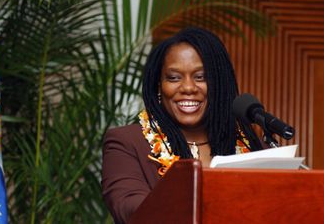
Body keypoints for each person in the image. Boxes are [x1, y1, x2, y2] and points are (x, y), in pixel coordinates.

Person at [101, 27, 263, 224]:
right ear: (159, 85)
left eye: (201, 77)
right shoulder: (127, 142)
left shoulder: (250, 144)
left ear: (219, 84)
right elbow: (130, 209)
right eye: (174, 78)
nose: (188, 88)